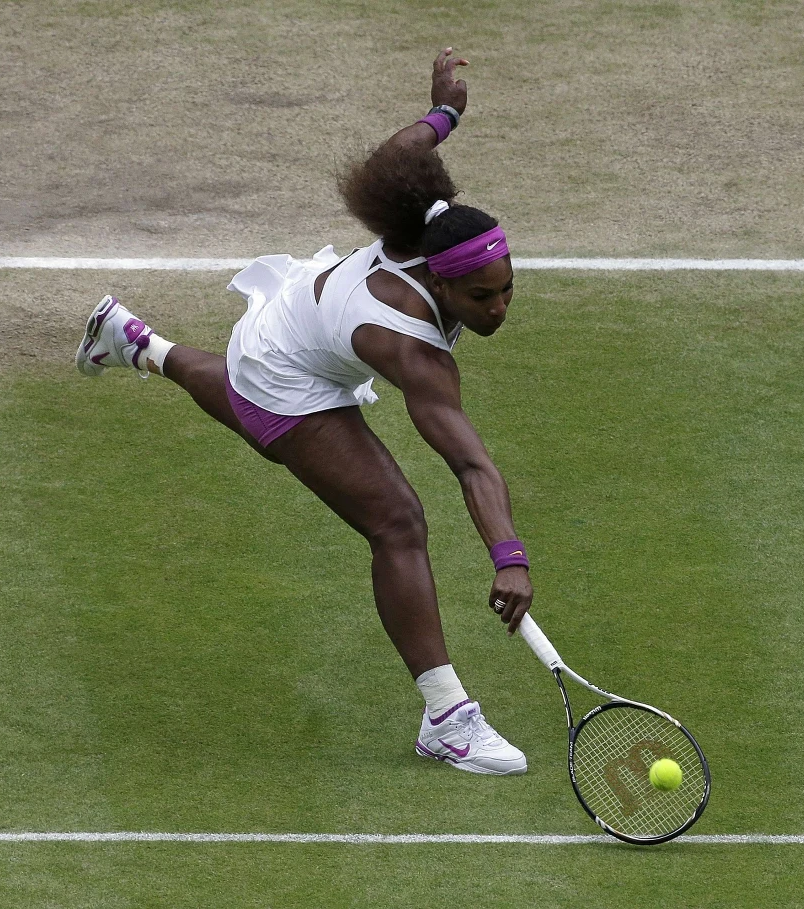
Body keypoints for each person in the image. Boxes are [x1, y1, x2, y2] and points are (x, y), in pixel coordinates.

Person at [76, 48, 532, 775]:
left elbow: (399, 154)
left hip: (304, 308)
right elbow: (469, 460)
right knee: (397, 521)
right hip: (288, 368)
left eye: (507, 288)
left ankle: (134, 341)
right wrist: (508, 557)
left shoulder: (426, 220)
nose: (499, 306)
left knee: (249, 395)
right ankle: (447, 717)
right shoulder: (411, 349)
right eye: (481, 298)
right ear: (441, 288)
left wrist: (443, 114)